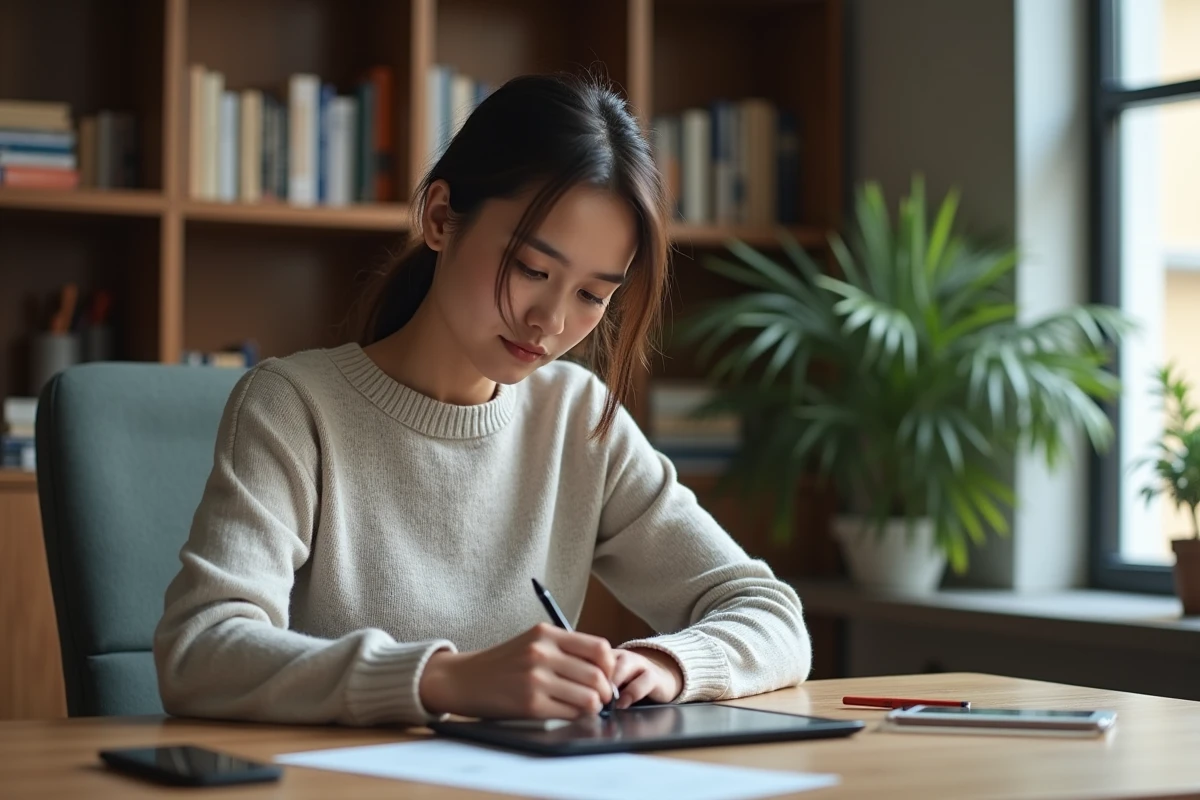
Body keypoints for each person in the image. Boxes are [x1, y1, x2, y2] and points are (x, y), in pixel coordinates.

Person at [153, 72, 811, 727]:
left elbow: (770, 614)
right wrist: (443, 680)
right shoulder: (295, 408)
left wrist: (671, 665)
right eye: (532, 269)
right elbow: (202, 650)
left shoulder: (578, 419)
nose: (551, 321)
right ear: (441, 218)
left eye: (592, 295)